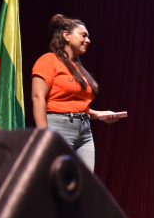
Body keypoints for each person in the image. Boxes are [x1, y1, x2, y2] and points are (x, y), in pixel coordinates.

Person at [31, 14, 122, 172]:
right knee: (57, 182)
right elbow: (38, 98)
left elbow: (77, 106)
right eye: (84, 35)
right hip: (58, 127)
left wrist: (100, 115)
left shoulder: (78, 68)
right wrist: (43, 136)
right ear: (66, 36)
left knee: (84, 184)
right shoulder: (48, 60)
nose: (88, 40)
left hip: (84, 131)